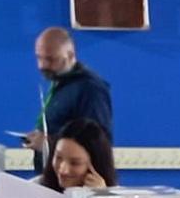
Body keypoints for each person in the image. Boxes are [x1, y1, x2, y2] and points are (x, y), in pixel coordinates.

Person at [20, 26, 113, 165]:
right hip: (53, 177)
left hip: (77, 181)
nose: (42, 65)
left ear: (70, 55)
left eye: (51, 59)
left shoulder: (90, 88)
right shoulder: (60, 83)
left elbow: (98, 142)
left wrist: (49, 143)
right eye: (39, 57)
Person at [37, 117, 121, 192]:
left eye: (75, 163)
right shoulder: (37, 189)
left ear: (95, 166)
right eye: (58, 158)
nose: (63, 170)